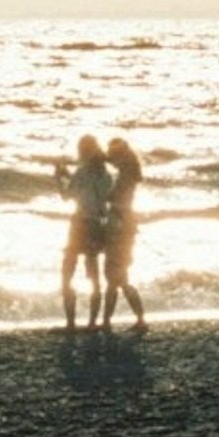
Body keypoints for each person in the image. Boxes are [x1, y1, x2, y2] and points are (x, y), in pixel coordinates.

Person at [56, 134, 114, 328]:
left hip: (80, 225)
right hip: (97, 225)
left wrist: (59, 178)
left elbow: (67, 196)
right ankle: (92, 322)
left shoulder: (81, 173)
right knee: (94, 274)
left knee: (67, 272)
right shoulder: (106, 174)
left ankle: (71, 322)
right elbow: (106, 200)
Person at [100, 138, 149, 335]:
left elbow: (112, 198)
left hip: (119, 227)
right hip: (125, 226)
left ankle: (108, 321)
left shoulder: (124, 177)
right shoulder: (129, 173)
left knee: (114, 277)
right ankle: (136, 319)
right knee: (119, 277)